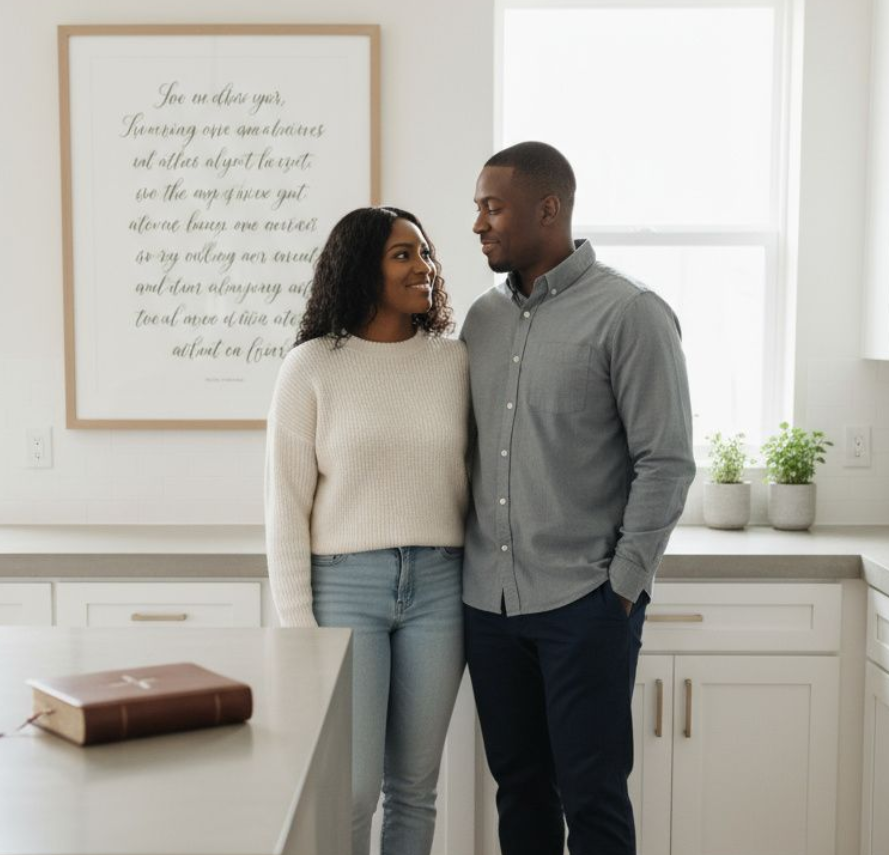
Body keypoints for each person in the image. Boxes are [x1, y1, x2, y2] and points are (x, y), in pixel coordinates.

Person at [461, 141, 696, 855]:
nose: (478, 224)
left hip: (584, 606)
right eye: (477, 209)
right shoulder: (480, 321)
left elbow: (668, 461)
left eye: (492, 207)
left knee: (592, 798)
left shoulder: (631, 313)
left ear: (549, 208)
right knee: (520, 793)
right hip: (489, 608)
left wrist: (622, 589)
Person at [265, 206, 469, 855]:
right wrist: (300, 629)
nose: (423, 267)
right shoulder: (311, 367)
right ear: (361, 269)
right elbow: (285, 506)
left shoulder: (455, 363)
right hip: (343, 589)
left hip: (440, 584)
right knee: (351, 791)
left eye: (426, 253)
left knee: (414, 786)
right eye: (402, 255)